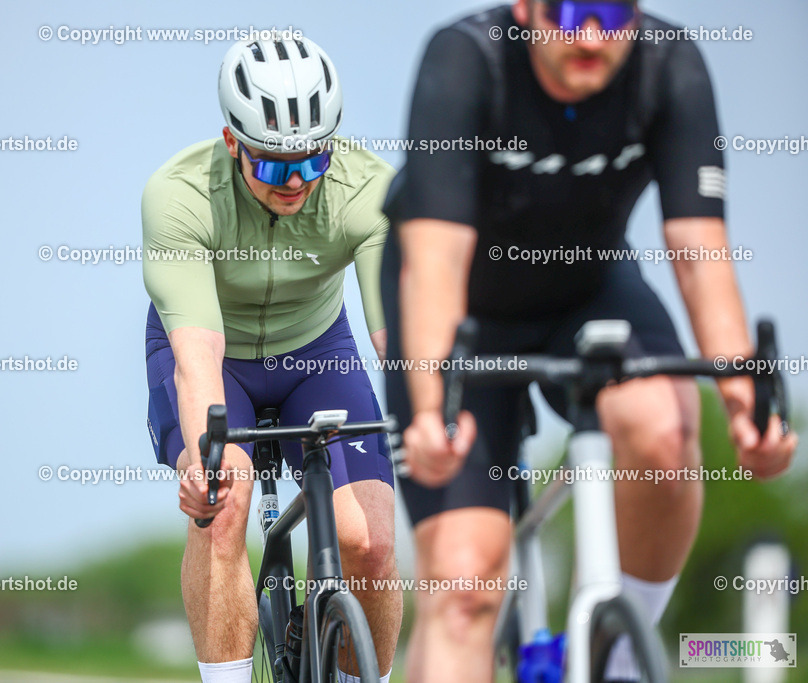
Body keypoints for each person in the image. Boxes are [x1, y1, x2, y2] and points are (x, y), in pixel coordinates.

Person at [380, 1, 799, 681]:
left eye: (612, 11)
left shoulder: (670, 64)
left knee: (663, 430)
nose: (593, 34)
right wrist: (430, 405)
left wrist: (744, 403)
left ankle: (617, 658)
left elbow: (699, 251)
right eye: (571, 9)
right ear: (525, 8)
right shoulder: (466, 59)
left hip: (589, 288)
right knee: (464, 584)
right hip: (460, 307)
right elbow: (436, 260)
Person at [143, 36, 401, 683]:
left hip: (320, 354)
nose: (295, 182)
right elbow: (198, 350)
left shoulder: (368, 191)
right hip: (214, 355)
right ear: (233, 143)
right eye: (273, 165)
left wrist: (431, 412)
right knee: (223, 502)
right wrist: (207, 453)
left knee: (369, 543)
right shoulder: (177, 195)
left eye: (311, 164)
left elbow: (397, 332)